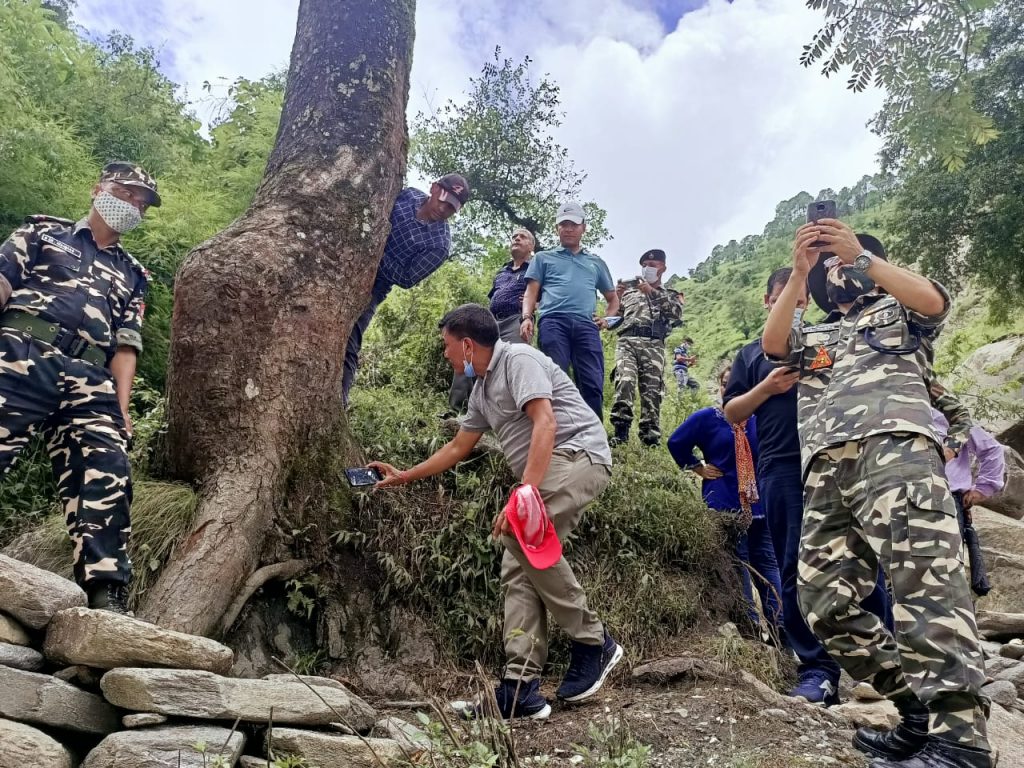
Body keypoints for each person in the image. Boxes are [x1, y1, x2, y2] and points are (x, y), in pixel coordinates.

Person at [762, 218, 990, 768]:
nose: (837, 270)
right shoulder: (815, 335)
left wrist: (858, 255)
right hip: (825, 472)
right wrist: (799, 273)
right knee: (823, 603)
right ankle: (916, 711)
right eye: (830, 267)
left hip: (897, 457)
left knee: (926, 592)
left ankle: (962, 741)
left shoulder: (898, 311)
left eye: (845, 261)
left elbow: (934, 301)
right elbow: (773, 344)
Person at [370, 304, 622, 721]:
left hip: (579, 456)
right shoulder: (482, 390)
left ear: (468, 345)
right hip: (551, 469)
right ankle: (521, 688)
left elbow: (546, 423)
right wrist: (404, 476)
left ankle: (594, 641)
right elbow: (458, 446)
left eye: (448, 345)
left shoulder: (518, 360)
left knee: (513, 533)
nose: (445, 354)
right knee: (517, 564)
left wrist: (524, 492)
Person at [724, 266, 893, 705]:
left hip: (841, 459)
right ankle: (818, 669)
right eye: (787, 298)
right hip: (782, 466)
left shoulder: (829, 340)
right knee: (793, 566)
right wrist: (766, 388)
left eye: (801, 300)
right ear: (769, 301)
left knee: (863, 558)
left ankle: (886, 665)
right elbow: (733, 413)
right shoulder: (752, 354)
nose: (796, 306)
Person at [0, 162, 157, 614]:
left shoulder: (133, 274)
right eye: (126, 192)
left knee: (107, 467)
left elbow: (125, 346)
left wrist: (122, 409)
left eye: (142, 201)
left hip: (91, 379)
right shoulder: (42, 233)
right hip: (21, 354)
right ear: (98, 189)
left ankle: (106, 594)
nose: (133, 204)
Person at [668, 367, 783, 639]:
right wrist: (697, 467)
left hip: (760, 507)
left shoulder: (760, 418)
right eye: (724, 384)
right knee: (737, 565)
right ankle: (750, 630)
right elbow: (676, 442)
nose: (729, 389)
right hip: (724, 506)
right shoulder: (707, 418)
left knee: (768, 564)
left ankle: (782, 630)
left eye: (736, 384)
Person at [342, 173, 470, 405]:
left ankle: (340, 401)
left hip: (374, 287)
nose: (443, 209)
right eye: (443, 201)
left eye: (451, 208)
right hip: (346, 260)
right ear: (434, 188)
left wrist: (376, 251)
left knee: (351, 340)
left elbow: (407, 278)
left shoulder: (439, 245)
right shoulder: (408, 195)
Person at [520, 202, 618, 417]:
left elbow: (613, 300)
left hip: (587, 326)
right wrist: (527, 317)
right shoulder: (543, 258)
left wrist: (606, 319)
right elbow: (530, 292)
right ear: (557, 228)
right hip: (553, 322)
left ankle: (593, 433)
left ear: (583, 228)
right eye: (563, 224)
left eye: (573, 224)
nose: (568, 229)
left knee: (592, 383)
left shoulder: (596, 263)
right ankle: (555, 429)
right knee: (555, 378)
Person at [447, 227, 535, 414]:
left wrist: (535, 303)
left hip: (516, 320)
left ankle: (508, 415)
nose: (517, 238)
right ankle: (458, 411)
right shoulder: (502, 272)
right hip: (492, 321)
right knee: (468, 352)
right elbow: (494, 297)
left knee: (512, 362)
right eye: (514, 236)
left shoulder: (535, 269)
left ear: (531, 247)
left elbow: (548, 293)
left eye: (523, 237)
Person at [609, 249, 683, 447]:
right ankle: (620, 432)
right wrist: (616, 297)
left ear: (663, 268)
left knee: (652, 392)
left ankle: (650, 438)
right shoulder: (629, 293)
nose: (647, 268)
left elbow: (676, 314)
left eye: (652, 265)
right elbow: (613, 320)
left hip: (653, 344)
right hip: (627, 341)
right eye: (644, 265)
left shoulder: (670, 295)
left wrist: (651, 291)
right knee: (625, 381)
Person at [932, 407, 1006, 529]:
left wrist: (982, 489)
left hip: (946, 500)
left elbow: (992, 449)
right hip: (899, 496)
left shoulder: (945, 416)